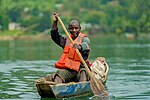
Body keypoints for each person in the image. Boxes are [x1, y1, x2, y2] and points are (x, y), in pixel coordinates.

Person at [50, 12, 91, 84]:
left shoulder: (84, 38)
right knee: (59, 73)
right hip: (69, 70)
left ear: (80, 29)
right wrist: (55, 22)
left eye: (76, 28)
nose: (74, 30)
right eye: (72, 28)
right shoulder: (66, 40)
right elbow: (54, 36)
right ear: (69, 29)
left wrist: (79, 47)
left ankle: (80, 89)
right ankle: (57, 88)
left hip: (80, 69)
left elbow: (86, 45)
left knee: (83, 73)